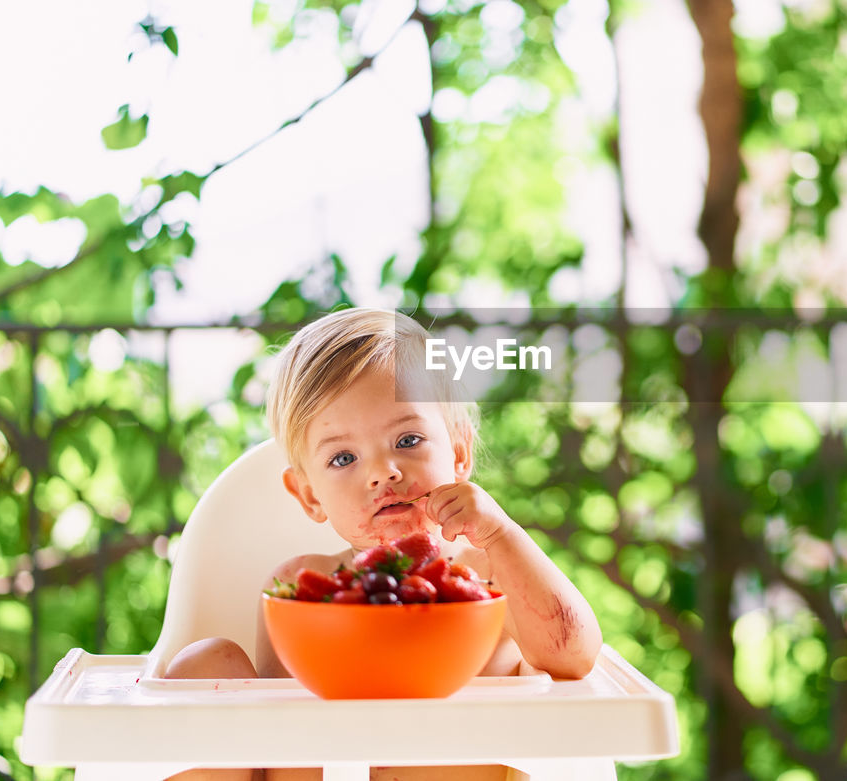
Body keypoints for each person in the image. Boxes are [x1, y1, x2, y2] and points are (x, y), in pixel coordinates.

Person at [164, 308, 603, 781]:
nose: (382, 472)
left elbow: (573, 657)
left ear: (458, 454)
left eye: (408, 439)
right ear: (310, 495)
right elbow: (279, 751)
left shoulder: (490, 573)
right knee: (204, 665)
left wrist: (499, 534)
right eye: (344, 457)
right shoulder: (298, 588)